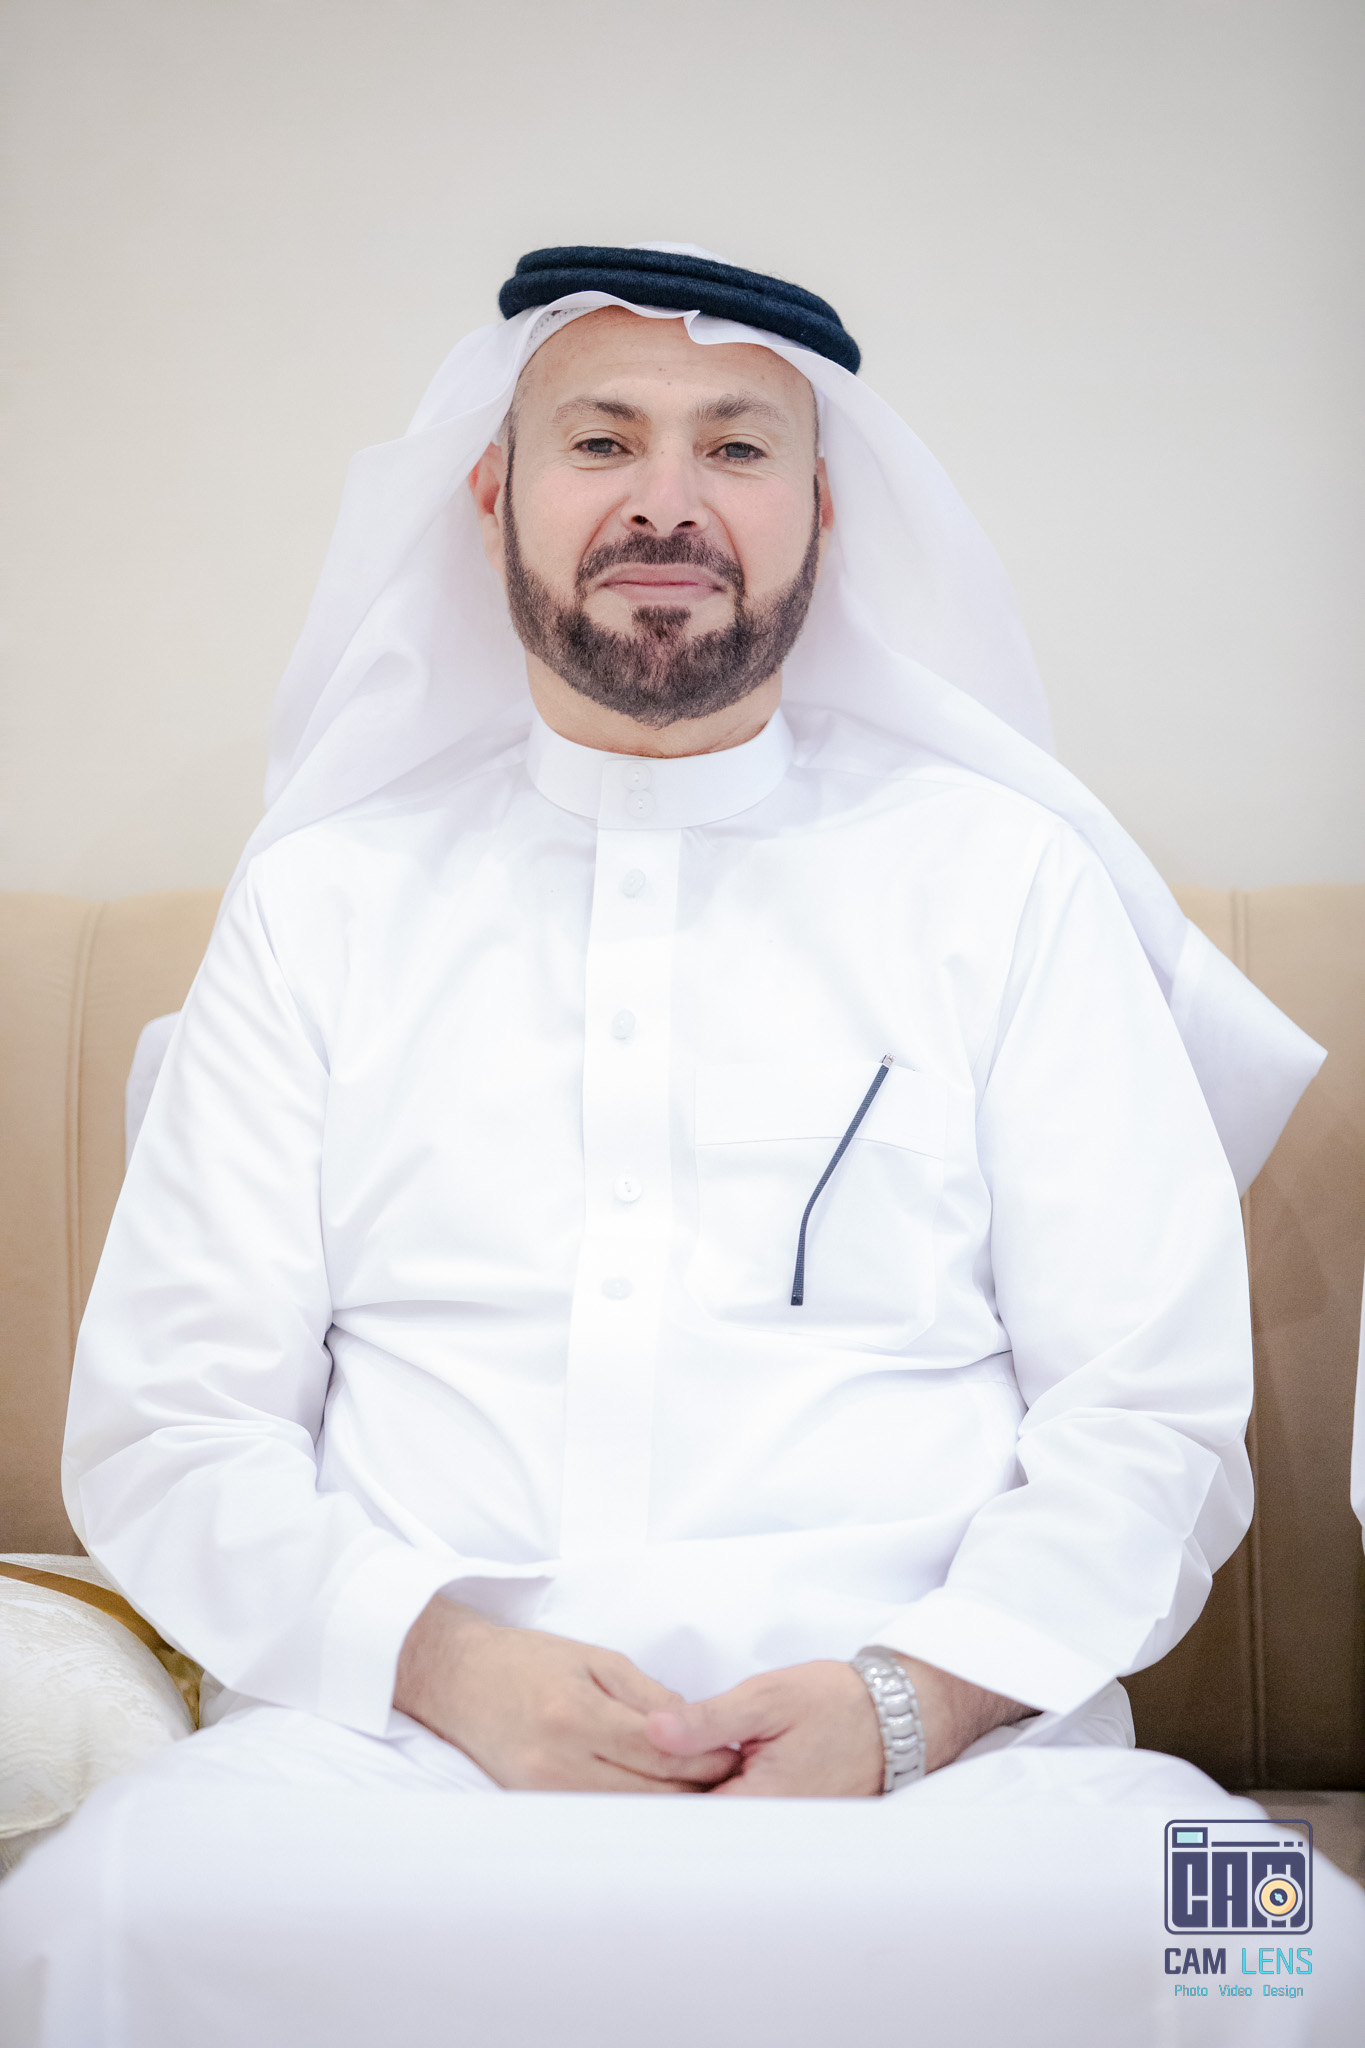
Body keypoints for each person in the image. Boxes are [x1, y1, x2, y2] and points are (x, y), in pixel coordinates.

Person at [3, 243, 1361, 2045]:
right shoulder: (324, 906)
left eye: (735, 447)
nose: (666, 500)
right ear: (491, 494)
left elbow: (1148, 1420)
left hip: (947, 1782)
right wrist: (448, 1668)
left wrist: (912, 1702)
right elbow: (175, 1423)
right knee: (101, 1917)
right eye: (601, 441)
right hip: (402, 1770)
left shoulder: (1000, 883)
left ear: (823, 512)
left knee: (1276, 1946)